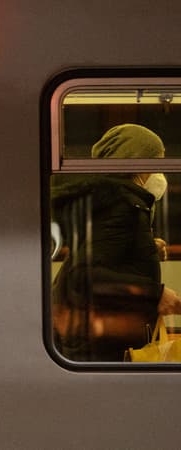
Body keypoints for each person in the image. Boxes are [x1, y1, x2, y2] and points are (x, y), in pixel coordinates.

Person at [51, 123, 181, 361]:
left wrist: (145, 250)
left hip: (98, 339)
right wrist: (155, 294)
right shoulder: (120, 205)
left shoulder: (115, 202)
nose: (160, 173)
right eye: (156, 163)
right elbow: (84, 276)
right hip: (103, 347)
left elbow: (102, 253)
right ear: (135, 162)